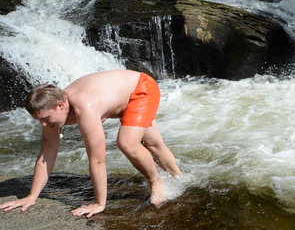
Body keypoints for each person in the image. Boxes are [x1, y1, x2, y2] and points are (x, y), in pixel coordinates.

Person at [0, 69, 181, 218]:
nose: (44, 125)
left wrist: (99, 203)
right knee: (153, 143)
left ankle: (156, 182)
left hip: (141, 89)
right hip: (122, 95)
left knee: (127, 142)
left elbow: (97, 159)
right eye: (39, 120)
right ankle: (179, 178)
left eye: (46, 118)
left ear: (61, 105)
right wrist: (32, 196)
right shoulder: (52, 113)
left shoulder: (85, 107)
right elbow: (45, 156)